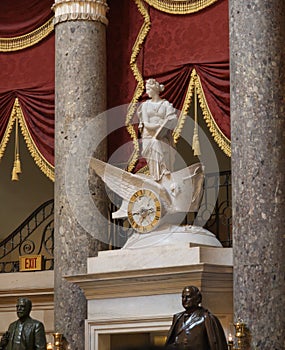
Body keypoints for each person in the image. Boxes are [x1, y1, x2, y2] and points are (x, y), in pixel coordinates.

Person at [137, 78, 177, 181]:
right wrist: (159, 125)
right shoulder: (145, 105)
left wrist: (166, 124)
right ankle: (157, 176)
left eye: (148, 90)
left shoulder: (166, 104)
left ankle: (164, 173)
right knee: (154, 149)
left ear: (154, 90)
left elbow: (172, 118)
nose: (146, 92)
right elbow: (146, 123)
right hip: (149, 136)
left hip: (163, 135)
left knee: (162, 151)